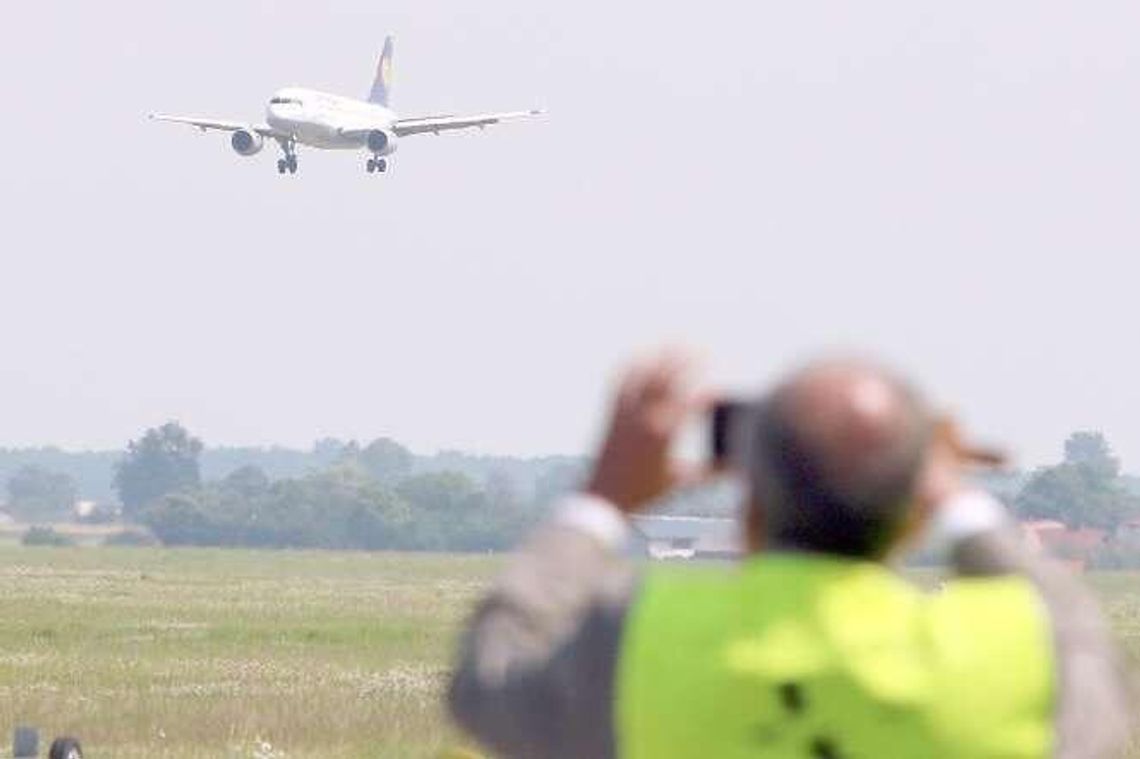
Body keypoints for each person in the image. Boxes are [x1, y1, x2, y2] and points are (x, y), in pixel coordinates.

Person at [448, 353, 1134, 758]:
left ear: (749, 506)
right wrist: (958, 500)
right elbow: (1080, 652)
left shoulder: (641, 634)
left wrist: (600, 498)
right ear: (908, 518)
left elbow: (489, 678)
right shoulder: (1011, 656)